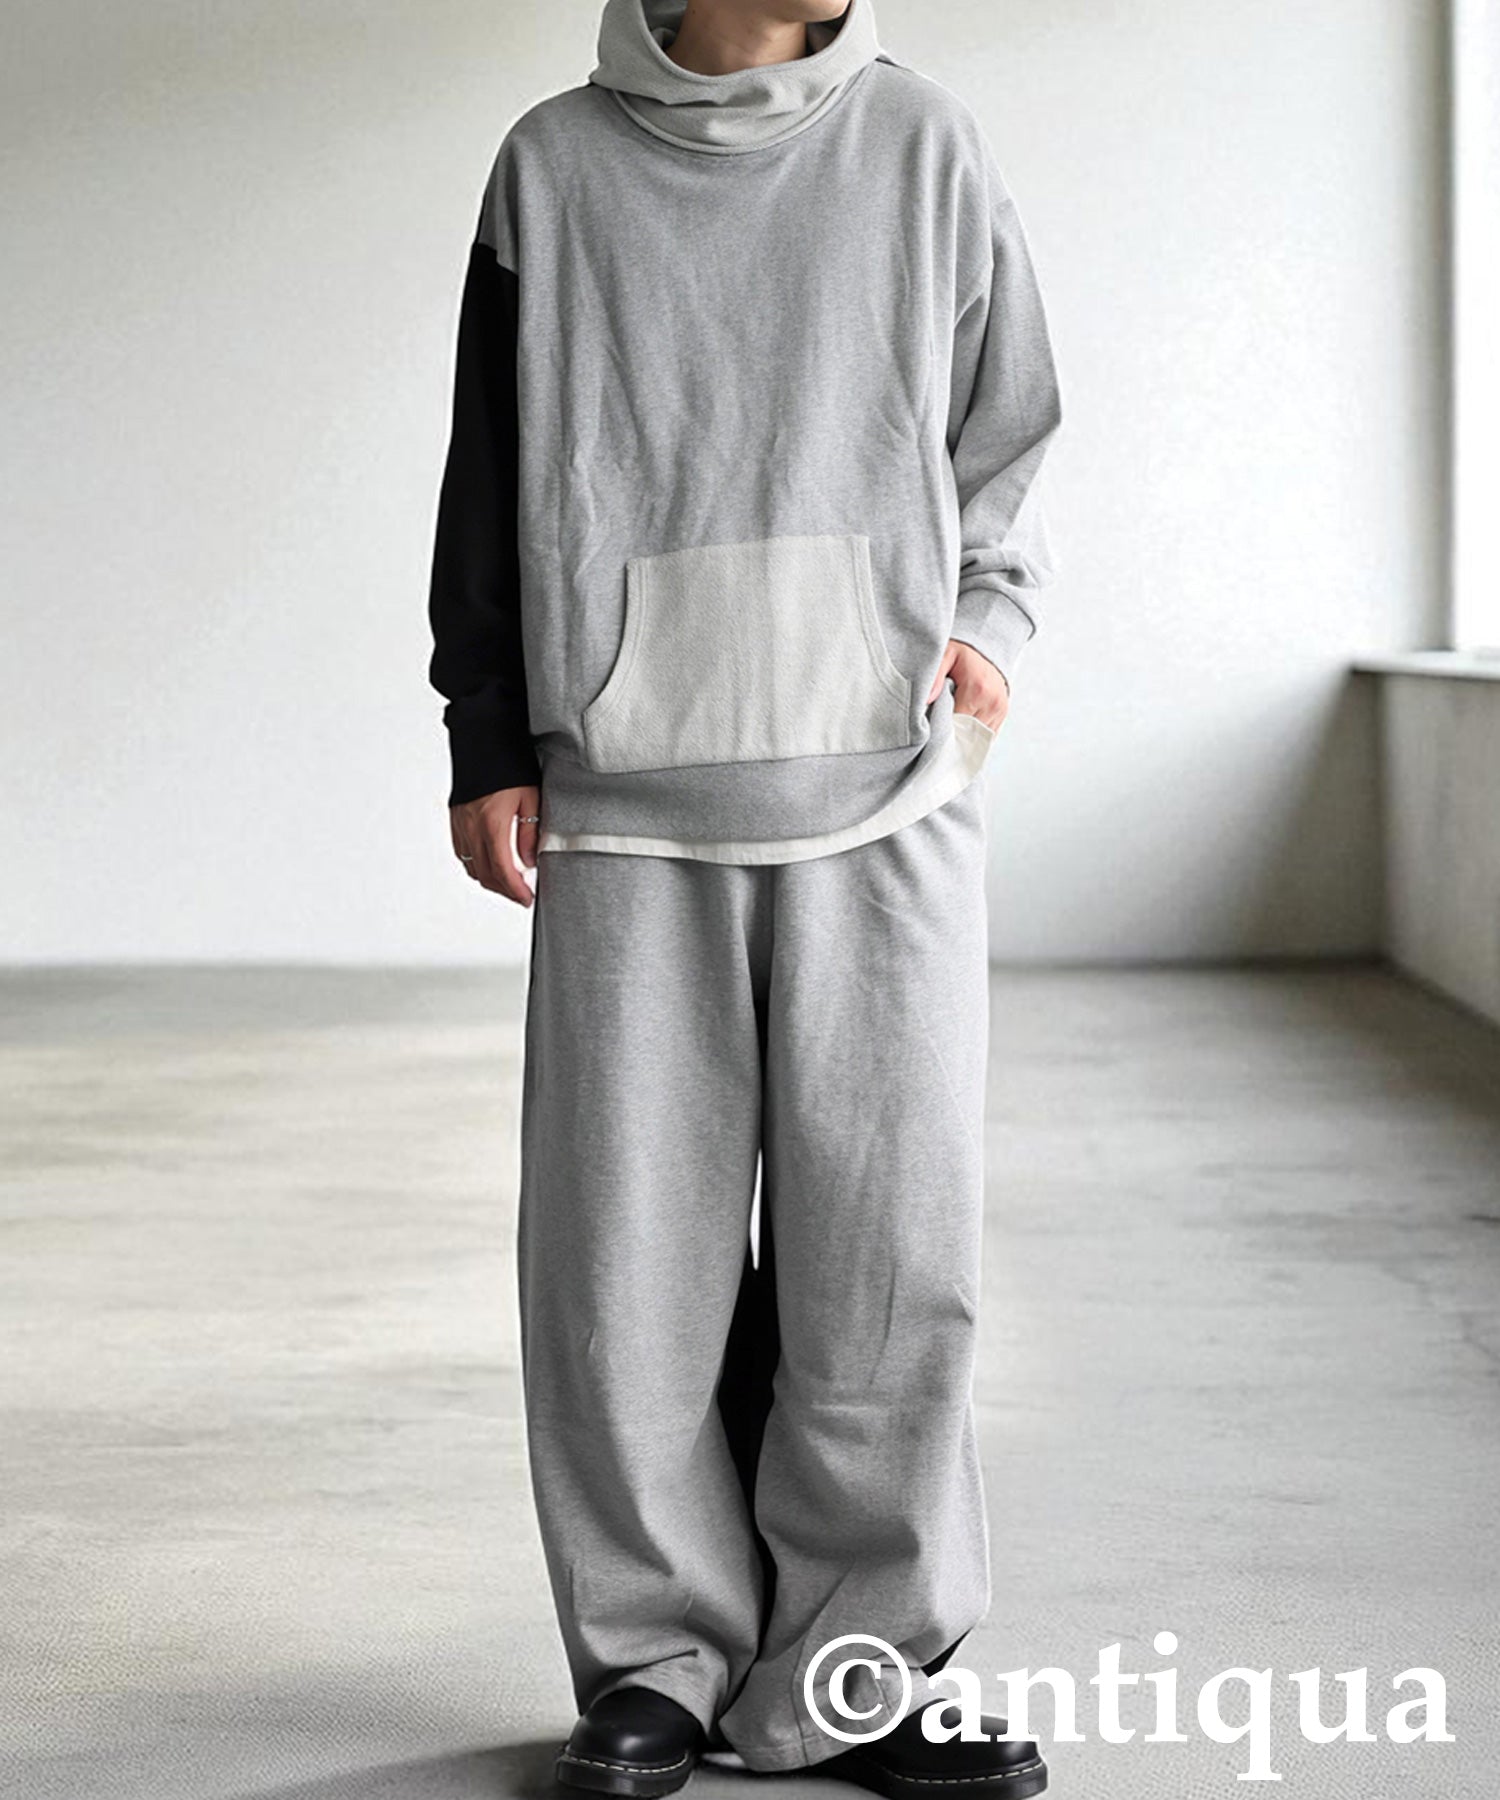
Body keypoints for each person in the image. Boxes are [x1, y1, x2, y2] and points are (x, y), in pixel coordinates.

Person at [427, 1, 1063, 1792]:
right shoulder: (552, 165)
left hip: (887, 791)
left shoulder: (925, 144)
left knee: (892, 1260)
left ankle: (860, 1669)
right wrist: (488, 731)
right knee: (623, 1271)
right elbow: (488, 467)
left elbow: (1010, 426)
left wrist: (988, 623)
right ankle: (656, 1660)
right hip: (628, 802)